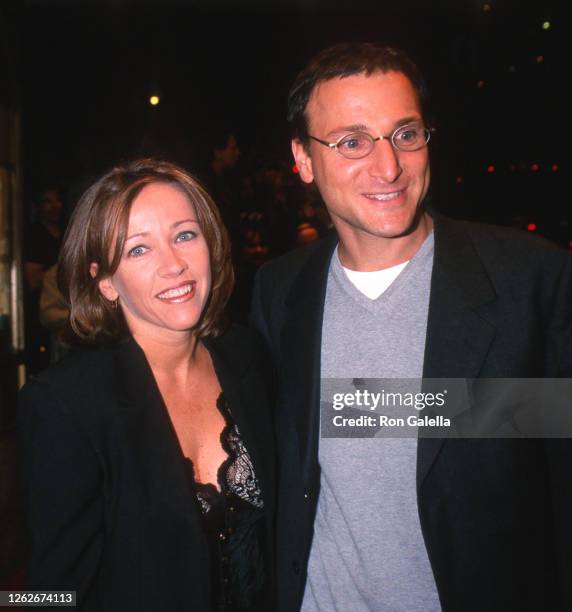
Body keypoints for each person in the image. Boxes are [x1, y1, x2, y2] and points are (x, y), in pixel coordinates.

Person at [250, 42, 572, 611]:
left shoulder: (531, 278)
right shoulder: (279, 290)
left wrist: (364, 408)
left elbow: (552, 443)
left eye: (405, 134)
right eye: (351, 142)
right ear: (302, 159)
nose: (388, 166)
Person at [19, 159, 275, 611]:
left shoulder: (247, 355)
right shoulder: (65, 406)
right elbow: (50, 589)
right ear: (104, 282)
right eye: (139, 250)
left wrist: (442, 411)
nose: (174, 265)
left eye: (184, 235)